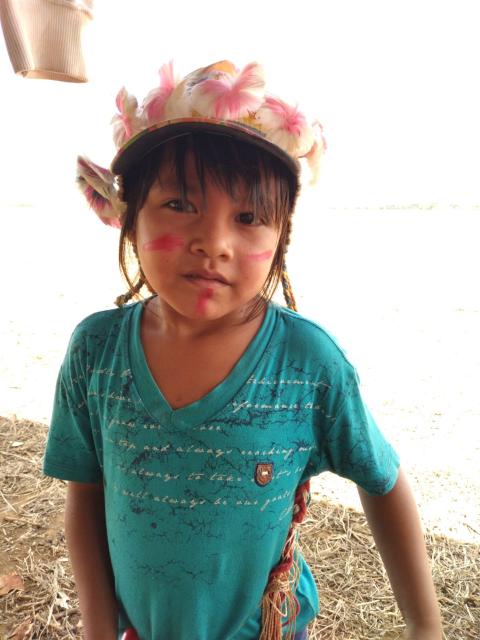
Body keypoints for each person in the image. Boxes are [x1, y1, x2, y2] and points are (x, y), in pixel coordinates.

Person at [43, 60, 442, 640]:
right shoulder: (96, 351)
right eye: (180, 205)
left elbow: (382, 479)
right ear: (130, 220)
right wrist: (98, 628)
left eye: (249, 217)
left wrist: (423, 626)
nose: (215, 243)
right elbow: (86, 495)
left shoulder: (308, 364)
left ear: (281, 237)